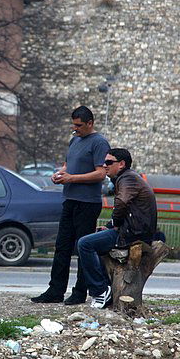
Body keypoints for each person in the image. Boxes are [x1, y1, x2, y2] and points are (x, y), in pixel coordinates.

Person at [31, 105, 110, 305]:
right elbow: (68, 165)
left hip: (87, 203)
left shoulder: (99, 142)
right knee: (62, 246)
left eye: (79, 125)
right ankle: (55, 290)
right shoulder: (74, 140)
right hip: (70, 200)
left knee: (82, 247)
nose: (75, 129)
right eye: (73, 125)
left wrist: (72, 178)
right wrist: (59, 173)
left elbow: (101, 173)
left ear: (90, 123)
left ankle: (80, 291)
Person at [76, 148, 158, 309]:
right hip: (131, 231)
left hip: (133, 235)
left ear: (121, 164)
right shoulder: (128, 178)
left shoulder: (127, 179)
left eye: (108, 162)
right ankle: (106, 289)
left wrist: (114, 223)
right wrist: (109, 227)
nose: (104, 165)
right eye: (103, 162)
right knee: (95, 241)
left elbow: (121, 204)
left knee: (84, 244)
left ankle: (100, 290)